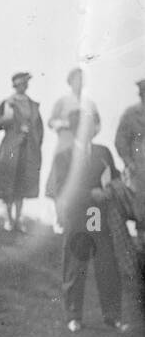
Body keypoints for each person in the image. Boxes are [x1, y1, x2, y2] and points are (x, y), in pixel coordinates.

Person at [49, 111, 128, 332]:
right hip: (76, 217)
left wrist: (114, 186)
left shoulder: (103, 152)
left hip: (98, 216)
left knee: (106, 264)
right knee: (75, 265)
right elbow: (61, 189)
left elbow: (114, 177)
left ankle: (112, 316)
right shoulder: (64, 156)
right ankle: (73, 316)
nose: (92, 129)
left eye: (94, 124)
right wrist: (90, 194)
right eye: (87, 125)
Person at [46, 67, 100, 234]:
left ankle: (85, 222)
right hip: (65, 144)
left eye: (82, 79)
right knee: (59, 182)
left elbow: (97, 125)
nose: (79, 83)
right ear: (70, 82)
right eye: (76, 79)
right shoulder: (63, 101)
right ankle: (61, 220)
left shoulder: (90, 103)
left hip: (82, 146)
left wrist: (88, 134)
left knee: (84, 182)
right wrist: (65, 124)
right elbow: (51, 121)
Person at [0, 71, 44, 233]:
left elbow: (39, 127)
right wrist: (9, 120)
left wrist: (35, 141)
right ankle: (8, 217)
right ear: (15, 85)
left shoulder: (32, 104)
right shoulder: (8, 102)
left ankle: (19, 218)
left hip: (27, 149)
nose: (24, 86)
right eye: (21, 83)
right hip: (11, 147)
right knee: (8, 180)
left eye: (26, 83)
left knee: (22, 182)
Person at [114, 77, 145, 250]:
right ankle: (141, 243)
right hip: (139, 167)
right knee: (141, 205)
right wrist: (128, 161)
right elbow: (120, 140)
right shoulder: (131, 114)